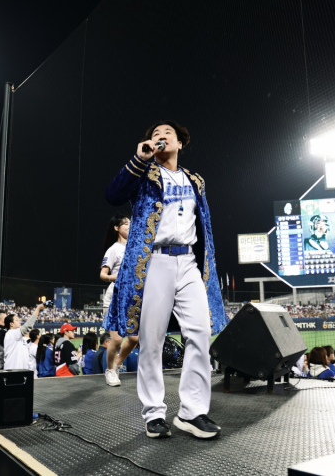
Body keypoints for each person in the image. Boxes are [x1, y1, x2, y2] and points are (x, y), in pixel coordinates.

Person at [103, 121, 228, 439]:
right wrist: (139, 159)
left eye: (167, 133)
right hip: (153, 262)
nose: (161, 136)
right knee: (152, 340)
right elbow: (112, 195)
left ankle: (192, 412)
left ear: (181, 143)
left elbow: (204, 226)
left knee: (200, 334)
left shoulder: (195, 179)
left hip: (188, 262)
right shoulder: (143, 172)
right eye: (154, 134)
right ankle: (154, 413)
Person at [100, 213, 138, 386]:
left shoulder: (134, 247)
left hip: (131, 297)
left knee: (134, 339)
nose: (129, 227)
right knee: (116, 339)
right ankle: (109, 370)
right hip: (114, 296)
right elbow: (102, 274)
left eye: (130, 224)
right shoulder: (114, 249)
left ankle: (118, 363)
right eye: (125, 224)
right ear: (117, 228)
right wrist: (118, 277)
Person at [3, 304, 44, 370]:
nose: (20, 321)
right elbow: (27, 327)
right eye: (17, 320)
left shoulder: (19, 337)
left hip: (21, 371)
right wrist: (38, 309)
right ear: (11, 324)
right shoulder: (11, 333)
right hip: (12, 371)